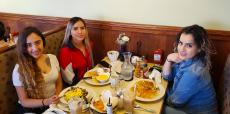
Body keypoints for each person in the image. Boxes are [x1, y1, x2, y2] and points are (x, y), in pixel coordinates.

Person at [162, 25, 218, 114]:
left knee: (154, 109)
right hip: (183, 106)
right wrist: (168, 59)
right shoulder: (187, 59)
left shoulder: (194, 73)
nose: (182, 49)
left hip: (192, 111)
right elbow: (167, 76)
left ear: (199, 48)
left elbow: (174, 102)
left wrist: (160, 91)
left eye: (189, 45)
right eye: (180, 43)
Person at [12, 26, 63, 114]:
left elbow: (59, 83)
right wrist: (45, 102)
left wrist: (56, 97)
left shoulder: (52, 58)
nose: (35, 48)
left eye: (37, 42)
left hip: (52, 105)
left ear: (43, 41)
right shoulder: (19, 69)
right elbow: (24, 101)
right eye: (29, 45)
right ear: (24, 47)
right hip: (31, 110)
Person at [59, 17, 94, 86]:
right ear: (70, 32)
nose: (80, 32)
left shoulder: (89, 45)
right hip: (76, 87)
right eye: (75, 29)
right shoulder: (65, 52)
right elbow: (69, 80)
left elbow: (90, 68)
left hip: (90, 81)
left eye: (82, 28)